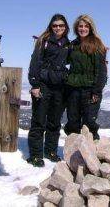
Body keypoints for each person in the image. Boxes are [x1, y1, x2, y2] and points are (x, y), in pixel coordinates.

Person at [27, 14, 70, 167]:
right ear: (51, 26)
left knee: (54, 121)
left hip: (59, 87)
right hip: (43, 84)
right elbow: (35, 63)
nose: (58, 28)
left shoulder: (67, 43)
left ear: (66, 27)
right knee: (38, 121)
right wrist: (35, 85)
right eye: (55, 25)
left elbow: (73, 60)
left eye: (61, 25)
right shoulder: (43, 41)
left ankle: (50, 151)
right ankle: (35, 155)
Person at [64, 14, 107, 140]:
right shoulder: (73, 45)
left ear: (91, 28)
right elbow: (64, 60)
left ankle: (92, 152)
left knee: (89, 122)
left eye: (86, 26)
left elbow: (101, 71)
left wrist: (96, 91)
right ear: (76, 28)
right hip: (72, 89)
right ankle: (72, 153)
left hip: (90, 90)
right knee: (73, 122)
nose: (83, 29)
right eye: (80, 26)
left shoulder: (97, 45)